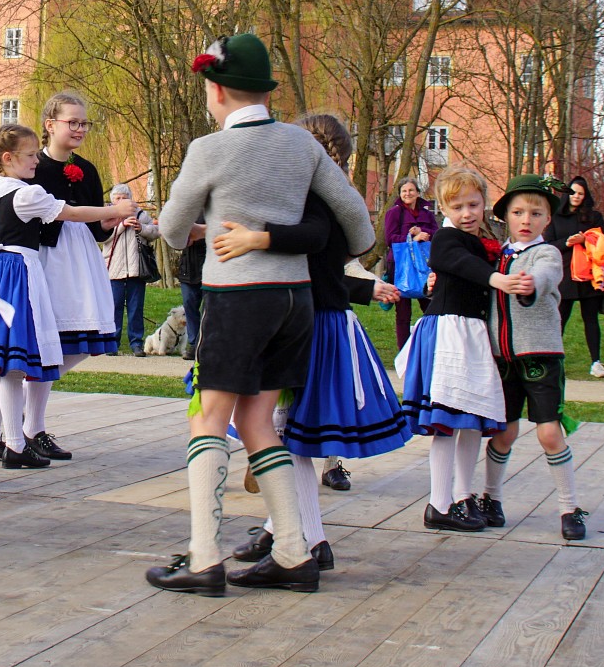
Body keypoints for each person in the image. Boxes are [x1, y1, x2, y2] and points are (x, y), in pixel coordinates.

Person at [147, 33, 376, 596]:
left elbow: (172, 231)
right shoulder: (302, 144)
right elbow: (359, 224)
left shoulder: (208, 149)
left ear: (218, 90)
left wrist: (207, 222)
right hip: (294, 300)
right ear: (265, 91)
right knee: (258, 422)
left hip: (237, 299)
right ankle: (294, 554)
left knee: (209, 419)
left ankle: (204, 558)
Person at [212, 113, 409, 573]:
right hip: (318, 317)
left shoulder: (312, 195)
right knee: (285, 434)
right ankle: (280, 527)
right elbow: (330, 265)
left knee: (288, 437)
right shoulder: (331, 195)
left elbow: (316, 244)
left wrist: (256, 238)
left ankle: (309, 539)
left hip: (309, 325)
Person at [0, 123, 135, 468]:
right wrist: (114, 211)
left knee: (0, 364)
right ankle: (15, 445)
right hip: (15, 273)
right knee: (13, 365)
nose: (35, 161)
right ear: (8, 158)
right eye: (29, 156)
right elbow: (71, 212)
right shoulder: (27, 194)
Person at [395, 167, 520, 535]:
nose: (467, 213)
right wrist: (496, 278)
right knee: (447, 422)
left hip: (473, 334)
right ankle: (438, 503)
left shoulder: (482, 241)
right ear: (443, 209)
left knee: (472, 420)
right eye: (457, 206)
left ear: (484, 204)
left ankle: (463, 496)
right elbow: (457, 262)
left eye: (473, 205)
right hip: (450, 333)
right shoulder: (446, 238)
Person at [480, 174, 588, 541]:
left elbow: (545, 276)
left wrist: (530, 285)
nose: (526, 220)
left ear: (547, 219)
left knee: (549, 433)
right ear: (505, 216)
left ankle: (569, 507)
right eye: (518, 212)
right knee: (504, 432)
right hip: (502, 358)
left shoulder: (547, 253)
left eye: (536, 214)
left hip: (541, 356)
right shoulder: (497, 255)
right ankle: (491, 499)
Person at [20, 91, 118, 461]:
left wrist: (111, 219)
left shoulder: (87, 170)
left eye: (83, 123)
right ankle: (31, 427)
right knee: (46, 342)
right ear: (50, 125)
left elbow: (96, 228)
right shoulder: (35, 166)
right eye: (72, 122)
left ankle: (29, 415)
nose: (79, 129)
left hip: (81, 260)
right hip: (47, 258)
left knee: (79, 342)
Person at [547, 175, 604, 378]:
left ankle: (596, 362)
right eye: (573, 192)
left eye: (581, 194)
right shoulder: (555, 217)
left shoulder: (594, 217)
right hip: (564, 276)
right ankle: (553, 362)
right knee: (559, 319)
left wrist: (585, 240)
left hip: (589, 276)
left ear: (586, 196)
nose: (576, 196)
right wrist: (567, 242)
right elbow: (547, 245)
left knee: (591, 319)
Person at [103, 183, 161, 357]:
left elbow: (156, 232)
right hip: (114, 269)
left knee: (136, 307)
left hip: (137, 269)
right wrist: (121, 225)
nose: (121, 201)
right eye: (118, 198)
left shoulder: (140, 214)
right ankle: (112, 343)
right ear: (113, 200)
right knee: (114, 307)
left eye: (124, 198)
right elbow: (102, 237)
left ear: (130, 199)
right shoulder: (106, 214)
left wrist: (142, 228)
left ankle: (136, 343)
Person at [383, 177, 438, 349]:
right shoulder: (394, 212)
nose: (408, 194)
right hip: (401, 267)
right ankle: (404, 353)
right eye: (404, 191)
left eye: (411, 190)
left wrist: (423, 231)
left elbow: (437, 234)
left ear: (418, 193)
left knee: (431, 308)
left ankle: (431, 346)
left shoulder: (427, 214)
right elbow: (389, 239)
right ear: (400, 194)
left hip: (424, 266)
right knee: (403, 313)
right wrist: (411, 238)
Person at [176, 225, 205, 361]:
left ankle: (206, 343)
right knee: (189, 305)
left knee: (209, 309)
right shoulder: (186, 215)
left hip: (207, 266)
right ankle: (194, 344)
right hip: (187, 268)